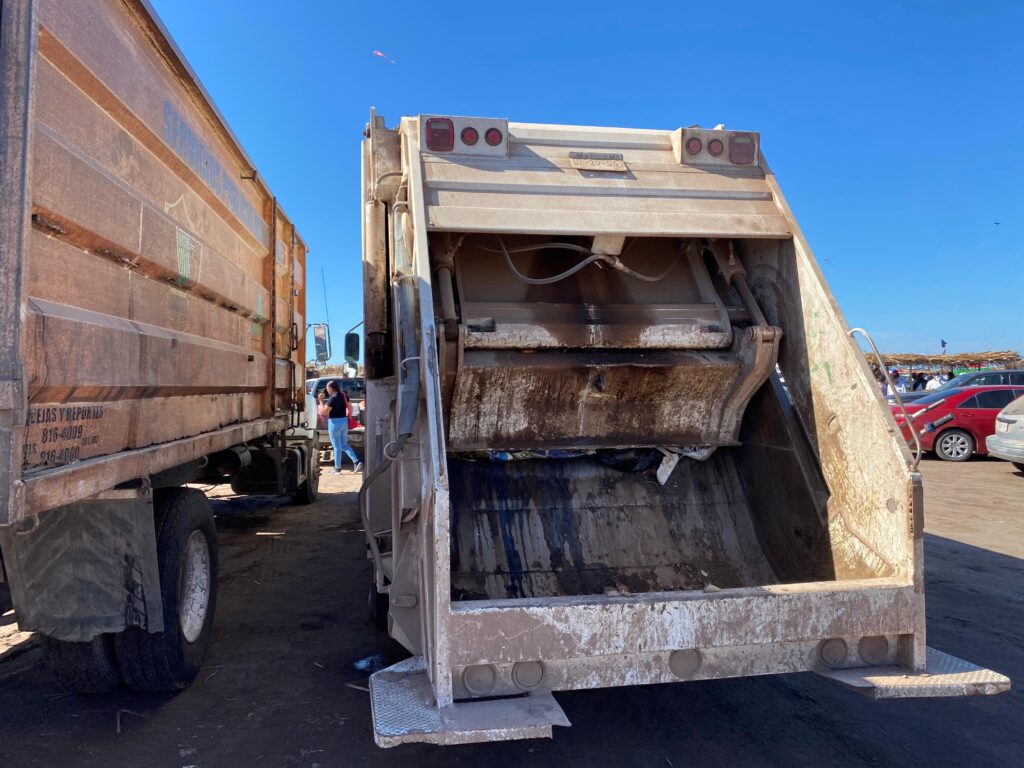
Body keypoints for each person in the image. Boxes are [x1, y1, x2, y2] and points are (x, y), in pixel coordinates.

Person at [319, 381, 362, 474]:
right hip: (344, 421)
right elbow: (350, 408)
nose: (326, 390)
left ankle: (337, 469)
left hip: (334, 423)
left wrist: (321, 401)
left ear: (330, 388)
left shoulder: (332, 399)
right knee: (344, 444)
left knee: (336, 447)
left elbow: (324, 412)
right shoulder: (343, 395)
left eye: (327, 388)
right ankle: (357, 462)